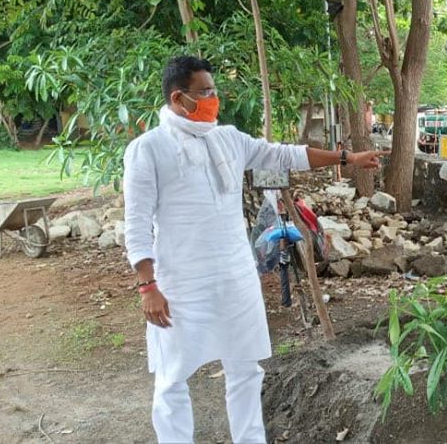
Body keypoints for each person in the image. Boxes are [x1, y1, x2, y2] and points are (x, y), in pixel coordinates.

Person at [123, 56, 387, 444]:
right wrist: (148, 285)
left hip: (235, 276)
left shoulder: (227, 138)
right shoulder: (148, 149)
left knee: (246, 369)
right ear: (179, 98)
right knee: (173, 376)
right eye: (206, 92)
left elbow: (285, 154)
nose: (214, 98)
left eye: (214, 90)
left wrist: (347, 158)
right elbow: (136, 222)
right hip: (181, 281)